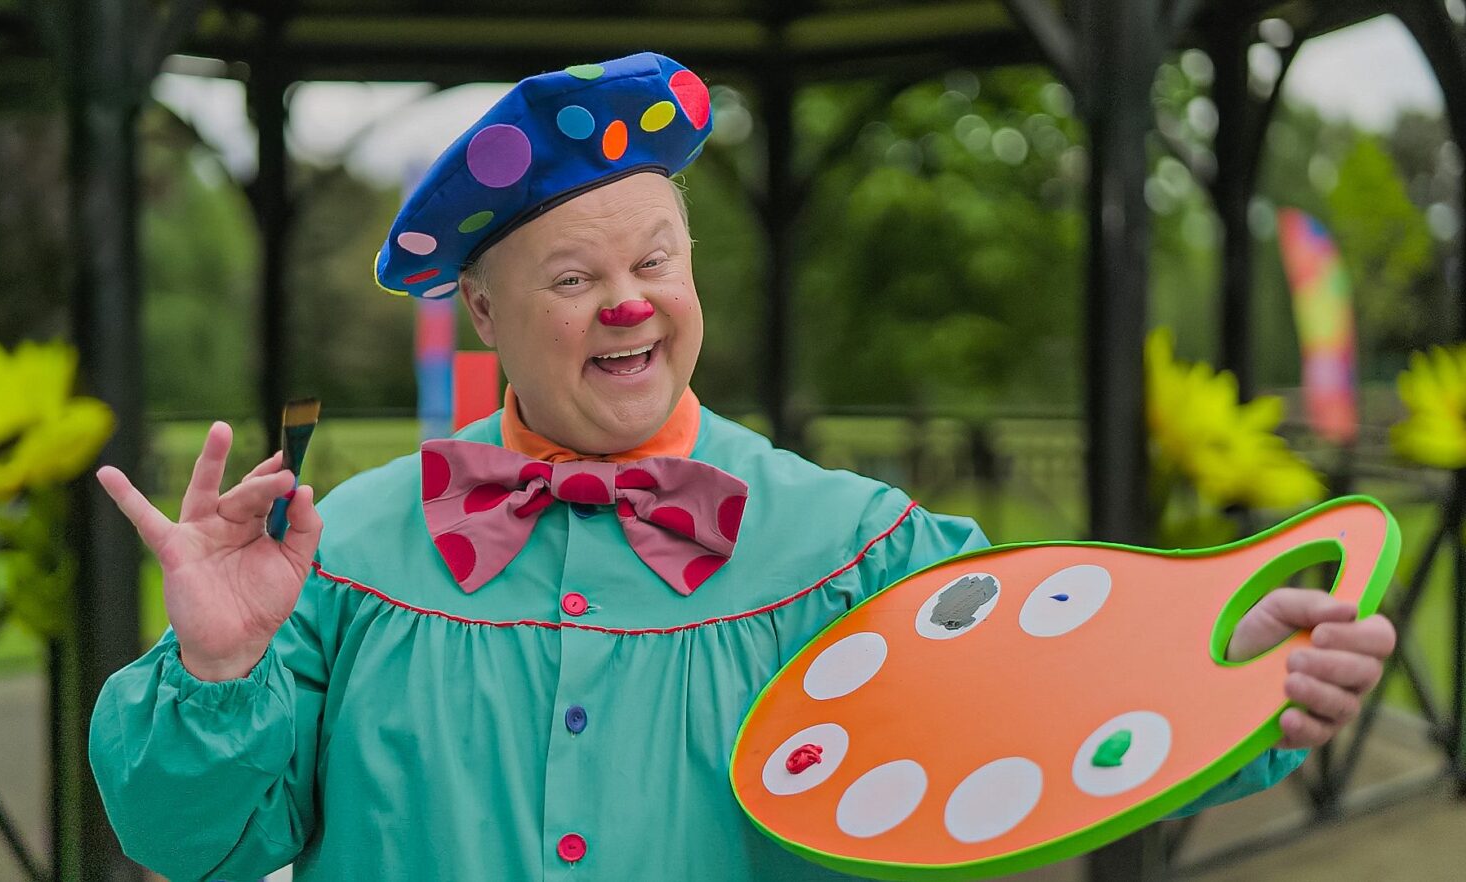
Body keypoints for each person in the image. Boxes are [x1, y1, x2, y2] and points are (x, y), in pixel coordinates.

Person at [88, 52, 1396, 882]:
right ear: (482, 315)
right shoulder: (349, 557)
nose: (629, 303)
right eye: (574, 275)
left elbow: (1049, 714)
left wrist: (1244, 685)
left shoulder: (860, 548)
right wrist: (216, 669)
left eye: (656, 260)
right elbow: (189, 843)